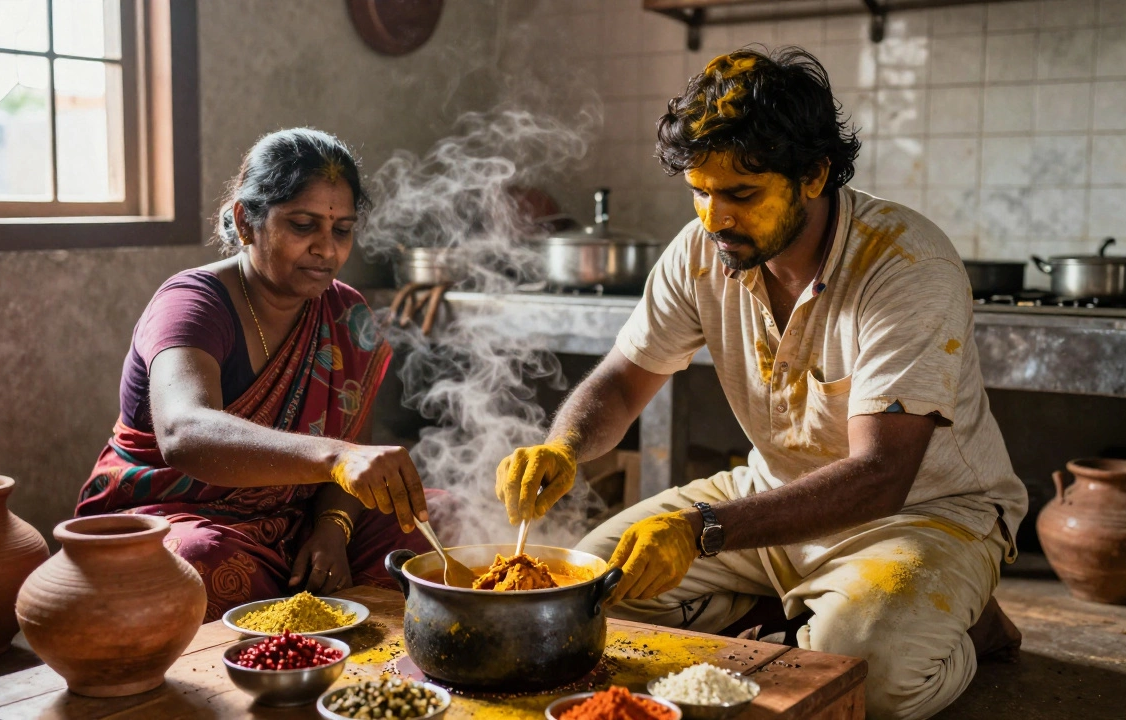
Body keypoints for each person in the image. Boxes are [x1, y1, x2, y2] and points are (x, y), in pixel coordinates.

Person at [495, 49, 1026, 720]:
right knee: (588, 587)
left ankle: (971, 626)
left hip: (920, 516)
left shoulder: (906, 264)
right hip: (770, 496)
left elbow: (882, 475)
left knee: (873, 680)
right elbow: (623, 382)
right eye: (700, 190)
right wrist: (564, 447)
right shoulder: (700, 250)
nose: (714, 217)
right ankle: (792, 603)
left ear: (814, 174)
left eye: (741, 194)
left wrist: (702, 529)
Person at [78, 128, 438, 621]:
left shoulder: (347, 314)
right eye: (303, 225)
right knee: (198, 563)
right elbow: (185, 432)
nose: (326, 250)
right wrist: (334, 456)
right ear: (247, 222)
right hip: (179, 519)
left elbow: (354, 443)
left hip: (297, 524)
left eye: (341, 230)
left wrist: (332, 529)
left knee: (440, 517)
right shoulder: (193, 304)